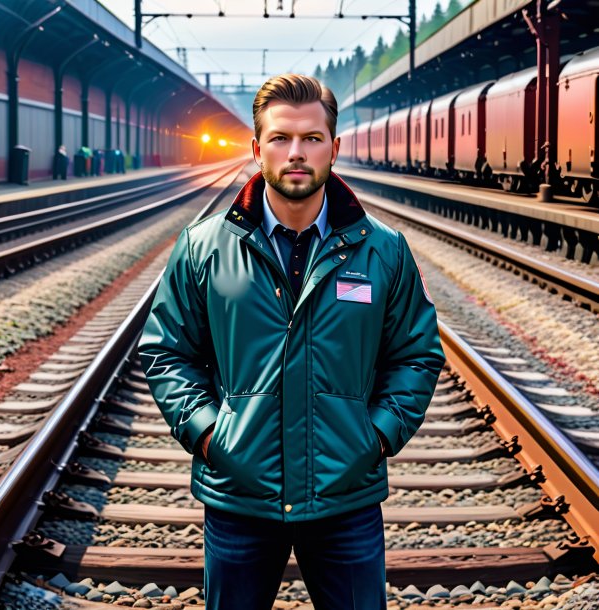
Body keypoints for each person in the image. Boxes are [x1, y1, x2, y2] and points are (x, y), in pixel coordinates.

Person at [138, 74, 445, 610]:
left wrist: (375, 438)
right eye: (280, 138)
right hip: (239, 497)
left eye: (311, 138)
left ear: (335, 148)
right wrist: (210, 434)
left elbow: (416, 355)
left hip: (344, 498)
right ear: (257, 149)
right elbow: (167, 351)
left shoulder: (384, 251)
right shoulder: (204, 248)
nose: (296, 153)